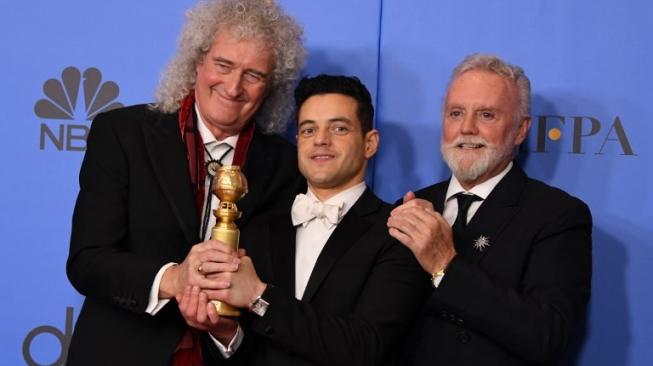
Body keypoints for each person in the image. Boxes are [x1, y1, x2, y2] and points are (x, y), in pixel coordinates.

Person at [65, 0, 305, 364]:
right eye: (223, 65)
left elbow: (278, 289)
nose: (234, 86)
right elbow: (88, 261)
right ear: (198, 61)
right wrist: (174, 279)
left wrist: (228, 334)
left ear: (271, 86)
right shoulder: (124, 134)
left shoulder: (287, 166)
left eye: (254, 75)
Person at [177, 75, 429, 365]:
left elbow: (365, 347)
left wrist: (259, 297)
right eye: (309, 130)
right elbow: (251, 349)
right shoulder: (259, 229)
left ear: (369, 143)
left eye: (339, 128)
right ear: (298, 142)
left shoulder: (396, 233)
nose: (321, 140)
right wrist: (223, 332)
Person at [387, 54, 592, 365]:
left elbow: (547, 335)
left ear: (521, 129)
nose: (467, 128)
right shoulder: (410, 208)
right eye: (456, 113)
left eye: (486, 115)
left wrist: (446, 265)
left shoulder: (557, 215)